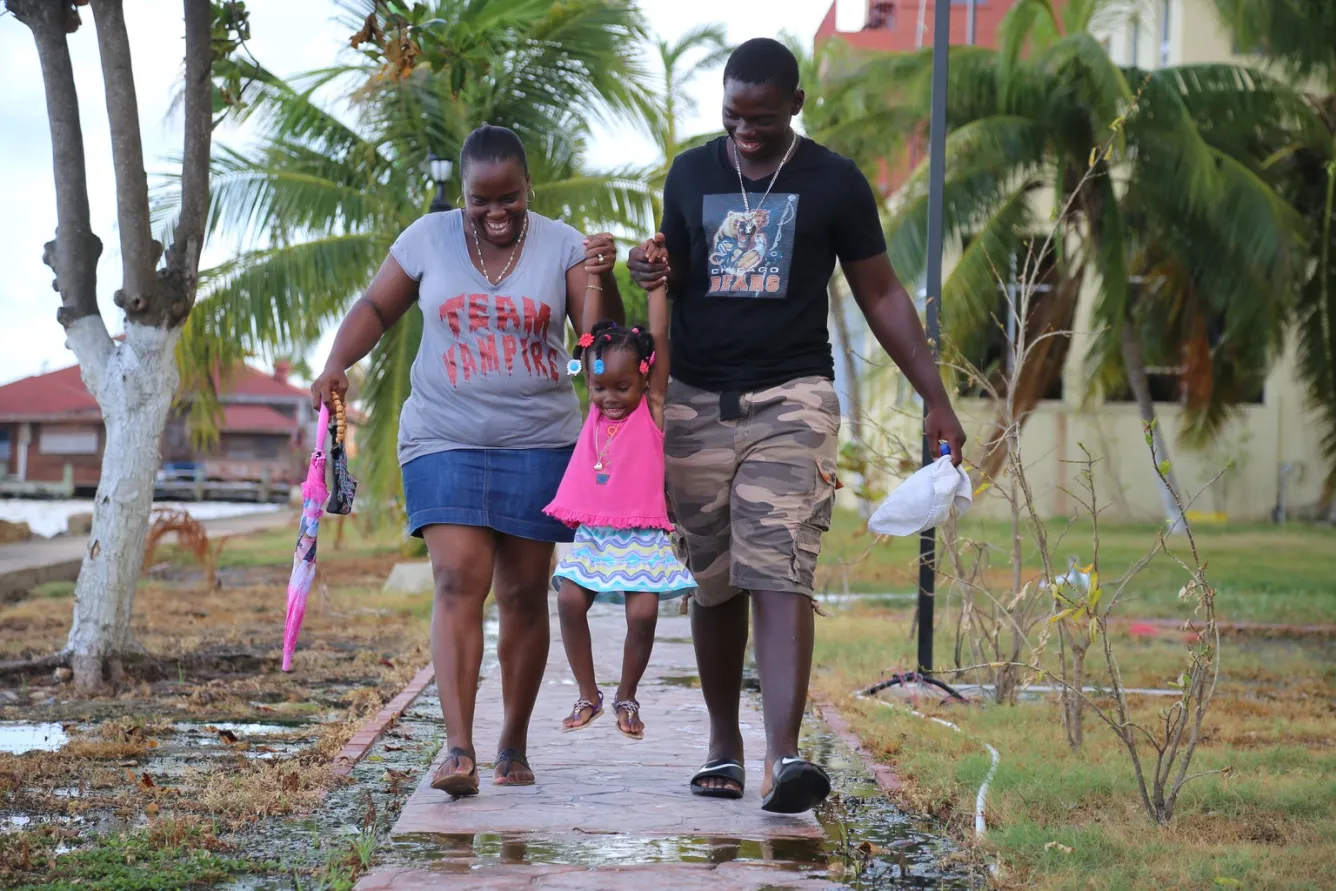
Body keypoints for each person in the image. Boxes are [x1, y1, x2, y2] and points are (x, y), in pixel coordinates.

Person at [628, 38, 967, 814]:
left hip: (794, 399)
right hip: (697, 401)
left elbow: (881, 294)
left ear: (796, 105)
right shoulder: (689, 173)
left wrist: (934, 395)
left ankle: (785, 753)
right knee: (713, 584)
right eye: (732, 116)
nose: (745, 131)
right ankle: (724, 742)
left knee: (780, 567)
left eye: (761, 117)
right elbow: (675, 281)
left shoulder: (834, 181)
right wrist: (653, 280)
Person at [311, 123, 622, 797]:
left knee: (520, 593)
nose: (497, 212)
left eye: (509, 196)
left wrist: (605, 278)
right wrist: (337, 362)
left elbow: (598, 343)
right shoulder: (427, 238)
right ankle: (458, 747)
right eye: (482, 200)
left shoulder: (564, 244)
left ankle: (511, 741)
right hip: (442, 434)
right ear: (462, 195)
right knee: (457, 578)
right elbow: (375, 305)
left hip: (539, 440)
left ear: (527, 188)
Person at [544, 237, 695, 740]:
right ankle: (588, 693)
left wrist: (656, 282)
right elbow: (586, 334)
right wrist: (591, 273)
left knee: (645, 612)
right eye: (600, 387)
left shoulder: (651, 410)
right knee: (568, 600)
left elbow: (660, 336)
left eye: (621, 388)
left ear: (644, 380)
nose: (609, 398)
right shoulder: (594, 407)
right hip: (595, 532)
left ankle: (627, 694)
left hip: (643, 532)